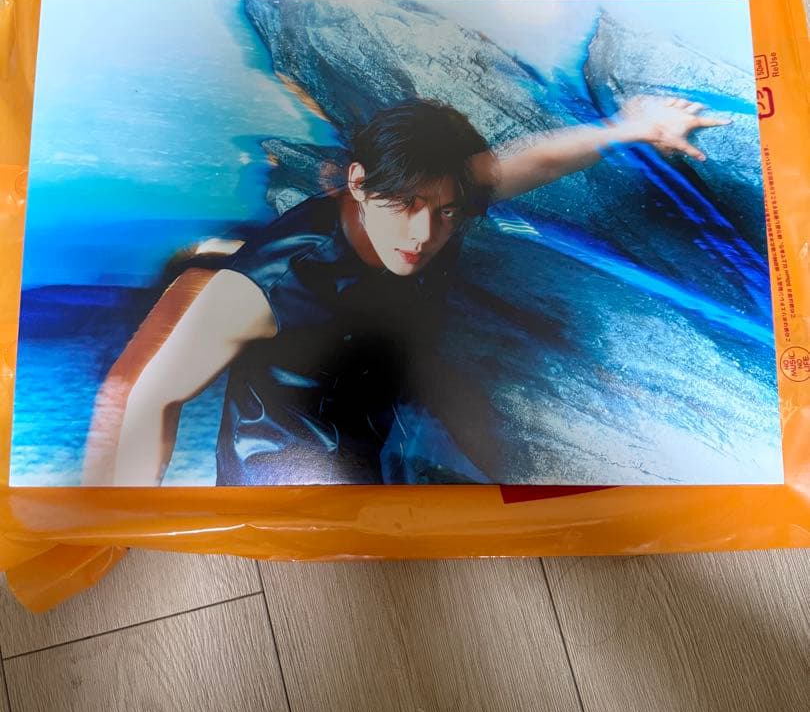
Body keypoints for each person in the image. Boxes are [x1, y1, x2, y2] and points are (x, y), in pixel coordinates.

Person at [81, 95, 728, 487]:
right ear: (358, 184)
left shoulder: (444, 194)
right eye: (407, 206)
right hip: (278, 468)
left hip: (373, 417)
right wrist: (138, 513)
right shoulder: (265, 287)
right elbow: (151, 398)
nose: (424, 234)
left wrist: (628, 126)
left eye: (445, 212)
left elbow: (530, 162)